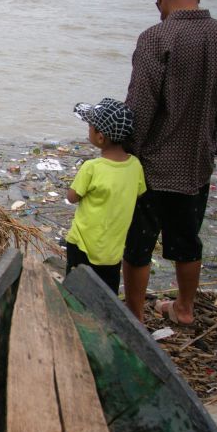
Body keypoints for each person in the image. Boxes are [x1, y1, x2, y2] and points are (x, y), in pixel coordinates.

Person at [122, 0, 217, 324]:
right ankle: (185, 309)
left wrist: (125, 155)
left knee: (139, 245)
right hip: (198, 164)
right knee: (187, 240)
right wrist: (213, 147)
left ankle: (134, 317)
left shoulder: (157, 38)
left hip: (154, 165)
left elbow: (139, 107)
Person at [66, 98, 146, 295]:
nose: (88, 130)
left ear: (100, 137)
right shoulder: (135, 165)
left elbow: (72, 197)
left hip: (82, 244)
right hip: (112, 251)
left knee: (75, 292)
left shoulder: (92, 168)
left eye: (90, 126)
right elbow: (139, 191)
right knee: (106, 295)